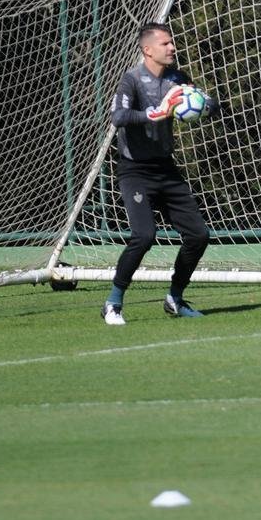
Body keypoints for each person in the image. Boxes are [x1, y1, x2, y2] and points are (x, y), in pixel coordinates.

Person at [101, 22, 220, 325]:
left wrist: (202, 105)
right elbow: (118, 116)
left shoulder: (177, 78)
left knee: (199, 235)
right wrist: (154, 113)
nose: (172, 47)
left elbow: (209, 103)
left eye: (172, 42)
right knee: (144, 236)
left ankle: (175, 299)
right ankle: (113, 303)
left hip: (166, 169)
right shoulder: (131, 80)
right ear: (148, 49)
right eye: (165, 43)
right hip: (135, 170)